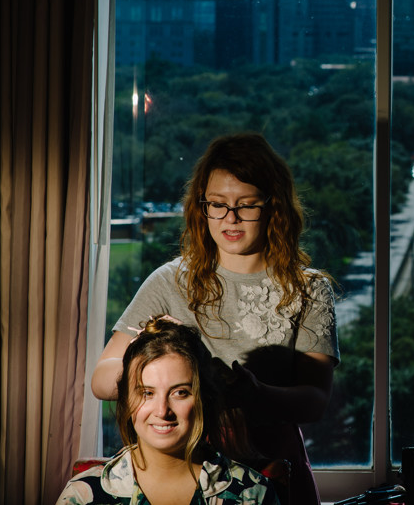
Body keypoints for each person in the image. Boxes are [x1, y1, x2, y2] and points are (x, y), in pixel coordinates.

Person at [92, 133, 340, 505]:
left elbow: (315, 401)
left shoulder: (309, 289)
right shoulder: (168, 281)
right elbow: (101, 378)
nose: (231, 218)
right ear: (201, 206)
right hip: (181, 469)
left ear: (274, 207)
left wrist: (256, 395)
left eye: (247, 205)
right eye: (218, 205)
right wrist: (151, 361)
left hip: (274, 470)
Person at [59, 316, 280, 504]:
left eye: (180, 392)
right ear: (127, 400)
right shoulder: (82, 495)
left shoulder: (252, 494)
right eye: (147, 393)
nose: (162, 411)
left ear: (203, 398)